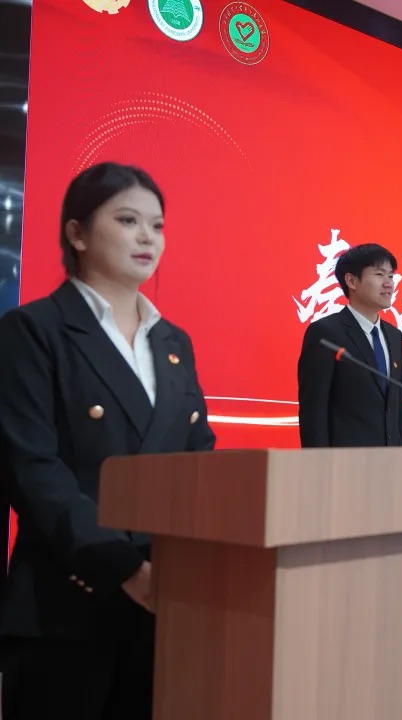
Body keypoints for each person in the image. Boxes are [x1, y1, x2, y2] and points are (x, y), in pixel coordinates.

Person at [0, 162, 216, 719]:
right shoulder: (34, 330)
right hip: (68, 603)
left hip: (163, 598)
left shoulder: (173, 343)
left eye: (157, 225)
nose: (148, 237)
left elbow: (199, 457)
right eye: (127, 220)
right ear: (77, 233)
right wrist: (123, 568)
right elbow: (32, 469)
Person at [297, 243, 402, 448]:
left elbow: (399, 409)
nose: (389, 284)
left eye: (391, 276)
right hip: (345, 461)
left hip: (390, 461)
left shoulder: (395, 336)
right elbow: (314, 410)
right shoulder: (326, 332)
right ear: (351, 281)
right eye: (379, 275)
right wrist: (318, 462)